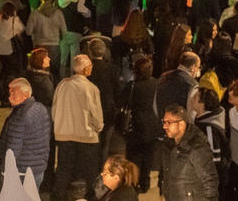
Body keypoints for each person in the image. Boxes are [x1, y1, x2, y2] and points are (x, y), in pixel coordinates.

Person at [52, 54, 104, 201]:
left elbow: (55, 109)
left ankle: (58, 196)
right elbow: (96, 114)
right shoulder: (91, 88)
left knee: (64, 168)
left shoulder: (62, 85)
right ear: (86, 69)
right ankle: (92, 196)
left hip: (64, 134)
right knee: (90, 170)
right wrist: (98, 127)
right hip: (86, 135)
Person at [0, 78, 51, 189]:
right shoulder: (41, 108)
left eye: (14, 94)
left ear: (25, 94)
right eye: (10, 93)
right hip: (38, 170)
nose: (9, 98)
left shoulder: (19, 115)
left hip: (20, 173)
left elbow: (12, 149)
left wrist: (5, 171)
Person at [160, 104, 219, 201]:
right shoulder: (168, 144)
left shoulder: (197, 147)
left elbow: (210, 181)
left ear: (181, 125)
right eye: (164, 122)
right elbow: (165, 172)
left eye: (168, 123)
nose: (164, 126)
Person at [121, 56, 162, 194]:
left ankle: (133, 183)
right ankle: (145, 183)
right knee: (148, 156)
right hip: (152, 125)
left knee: (133, 156)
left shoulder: (132, 86)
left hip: (135, 125)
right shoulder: (157, 84)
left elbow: (123, 102)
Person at [87, 38, 122, 167]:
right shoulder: (113, 69)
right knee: (105, 143)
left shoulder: (86, 69)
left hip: (89, 109)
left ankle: (90, 167)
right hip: (107, 108)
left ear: (90, 52)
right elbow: (118, 91)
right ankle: (102, 167)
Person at [191, 87, 229, 201]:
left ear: (202, 103)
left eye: (195, 97)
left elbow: (214, 160)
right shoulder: (202, 120)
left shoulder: (209, 128)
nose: (192, 99)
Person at [26, 0, 67, 78]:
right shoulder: (58, 13)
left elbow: (28, 32)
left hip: (39, 46)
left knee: (40, 72)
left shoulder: (35, 14)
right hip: (54, 45)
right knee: (55, 73)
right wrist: (60, 39)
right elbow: (64, 31)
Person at [155, 52, 200, 118]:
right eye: (198, 67)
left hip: (163, 120)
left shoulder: (163, 77)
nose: (199, 70)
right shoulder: (193, 85)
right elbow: (192, 112)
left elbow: (155, 105)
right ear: (193, 67)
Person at [0, 1, 25, 82]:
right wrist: (16, 16)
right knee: (12, 69)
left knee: (2, 70)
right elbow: (22, 28)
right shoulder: (14, 19)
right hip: (9, 50)